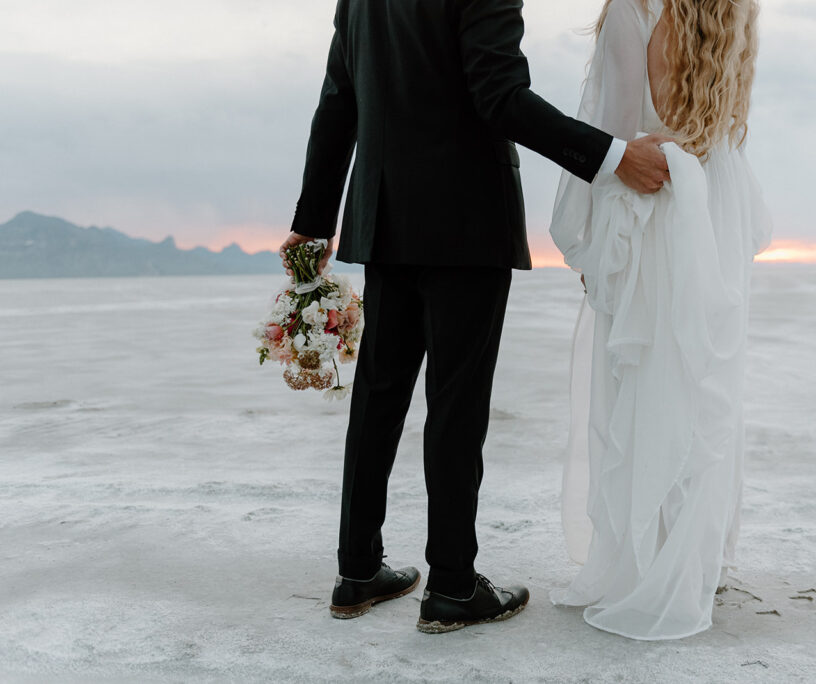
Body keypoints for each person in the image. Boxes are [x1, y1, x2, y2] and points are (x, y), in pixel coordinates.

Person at [278, 0, 673, 635]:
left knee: (378, 398)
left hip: (384, 217)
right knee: (456, 406)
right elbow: (499, 95)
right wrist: (611, 156)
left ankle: (356, 572)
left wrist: (312, 222)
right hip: (466, 220)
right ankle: (454, 586)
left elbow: (339, 102)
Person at [549, 0, 773, 640]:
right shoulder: (732, 10)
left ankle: (646, 563)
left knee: (646, 383)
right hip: (716, 206)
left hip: (655, 210)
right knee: (701, 379)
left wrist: (587, 239)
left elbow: (615, 137)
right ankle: (698, 553)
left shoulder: (632, 11)